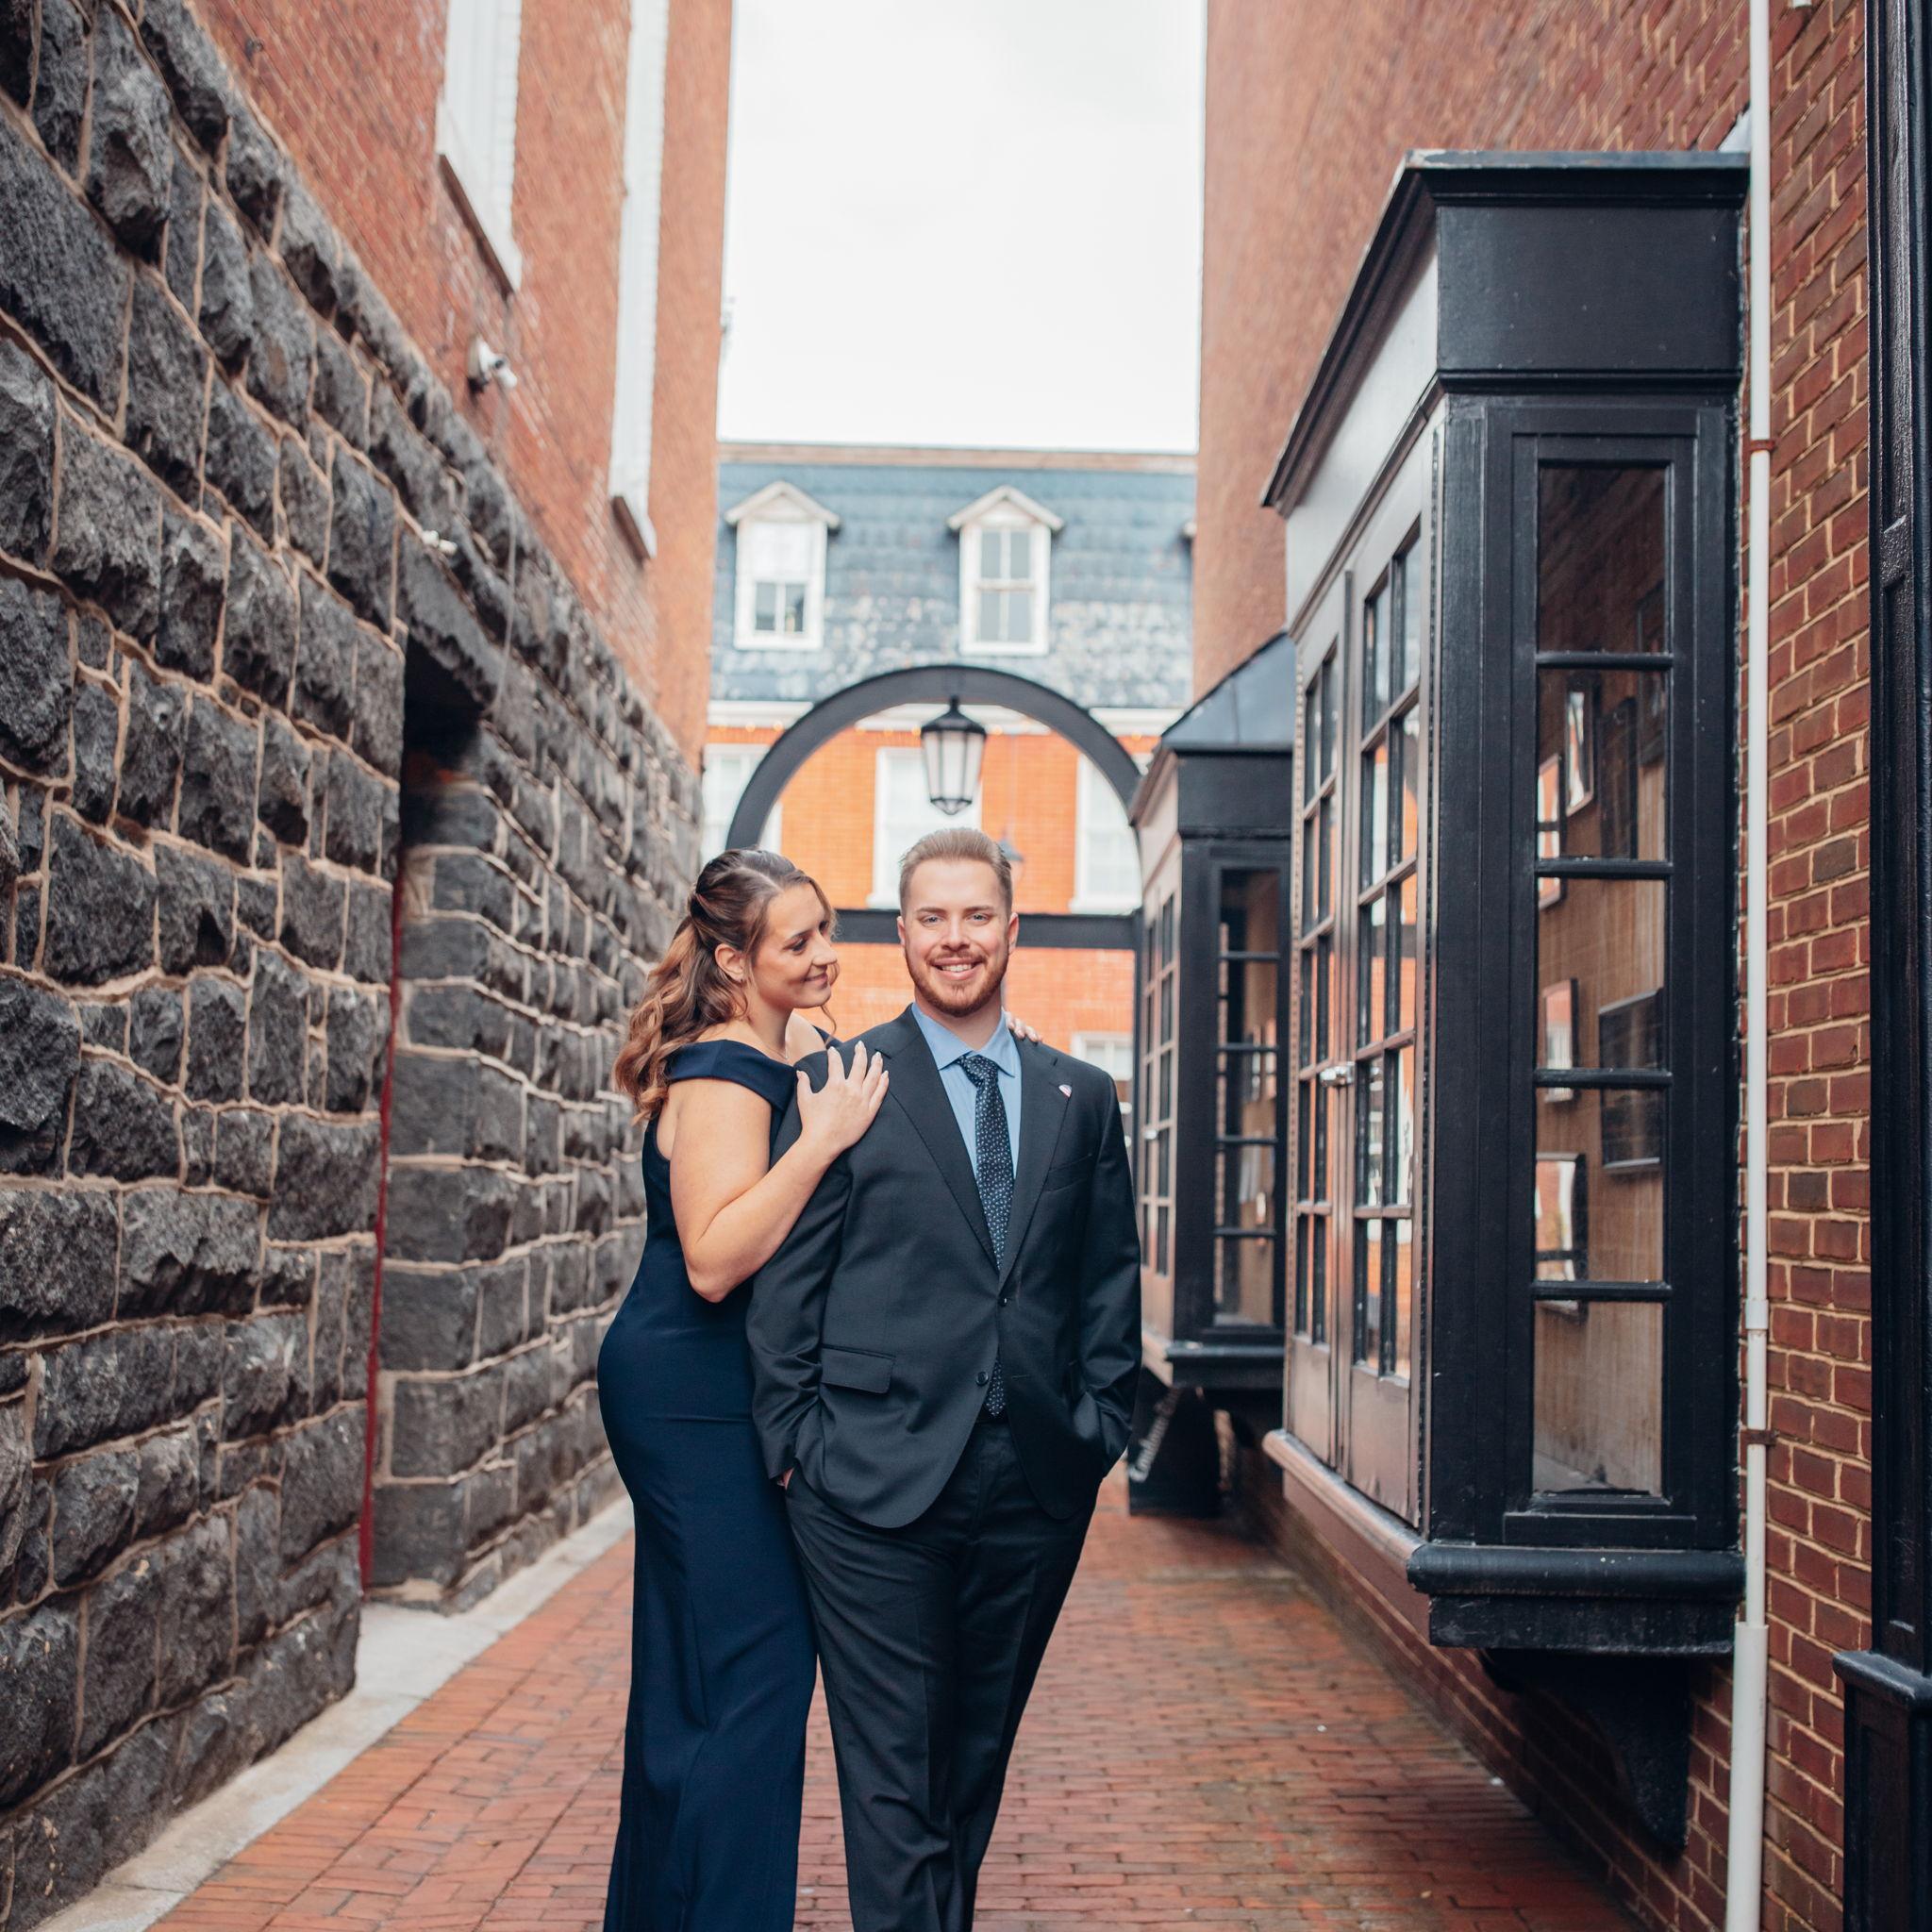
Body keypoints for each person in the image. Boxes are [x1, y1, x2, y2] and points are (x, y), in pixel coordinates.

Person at [746, 826, 1141, 1932]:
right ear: (902, 931)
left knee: (971, 1765)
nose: (954, 937)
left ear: (1011, 928)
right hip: (865, 1481)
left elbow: (1106, 1279)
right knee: (892, 1777)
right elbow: (786, 1290)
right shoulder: (841, 1081)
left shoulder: (1081, 1095)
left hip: (1035, 1480)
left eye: (975, 915)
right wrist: (795, 1448)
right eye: (932, 916)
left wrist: (1097, 1427)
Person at [597, 847, 885, 1932]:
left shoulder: (771, 1042)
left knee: (692, 1675)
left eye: (824, 930)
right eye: (796, 941)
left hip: (704, 1384)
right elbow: (714, 1258)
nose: (823, 954)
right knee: (758, 1673)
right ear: (732, 960)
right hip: (690, 1391)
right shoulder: (722, 1069)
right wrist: (818, 1143)